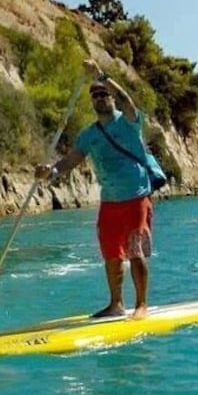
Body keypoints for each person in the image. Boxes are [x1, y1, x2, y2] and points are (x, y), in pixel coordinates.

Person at [35, 59, 154, 319]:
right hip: (109, 201)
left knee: (136, 251)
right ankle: (116, 304)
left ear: (111, 97)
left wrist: (101, 75)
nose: (101, 98)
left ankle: (141, 305)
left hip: (136, 197)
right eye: (95, 95)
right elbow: (72, 159)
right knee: (112, 254)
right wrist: (52, 171)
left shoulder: (129, 121)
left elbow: (126, 99)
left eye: (104, 94)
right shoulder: (89, 134)